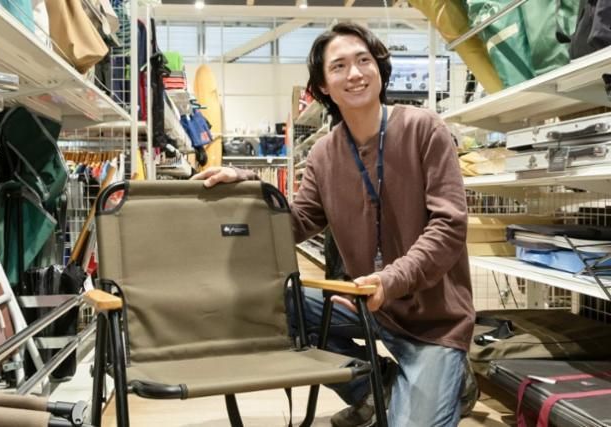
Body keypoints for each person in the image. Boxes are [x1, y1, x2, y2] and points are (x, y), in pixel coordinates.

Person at [192, 22, 475, 427]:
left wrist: (390, 280)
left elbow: (449, 227)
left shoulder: (424, 128)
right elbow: (297, 222)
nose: (355, 73)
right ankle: (375, 388)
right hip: (366, 303)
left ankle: (452, 378)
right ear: (323, 86)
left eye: (363, 60)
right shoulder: (325, 154)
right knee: (272, 304)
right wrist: (250, 189)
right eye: (339, 66)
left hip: (433, 319)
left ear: (379, 68)